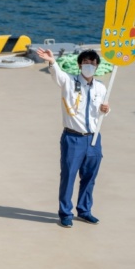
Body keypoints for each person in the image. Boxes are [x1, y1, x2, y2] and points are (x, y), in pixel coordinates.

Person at [36, 48, 110, 228]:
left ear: (97, 66)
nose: (89, 66)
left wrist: (106, 111)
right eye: (85, 63)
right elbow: (58, 75)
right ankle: (65, 213)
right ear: (79, 65)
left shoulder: (101, 87)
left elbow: (101, 111)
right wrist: (51, 62)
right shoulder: (69, 81)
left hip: (93, 138)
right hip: (73, 138)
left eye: (92, 63)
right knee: (68, 176)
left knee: (90, 177)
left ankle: (84, 210)